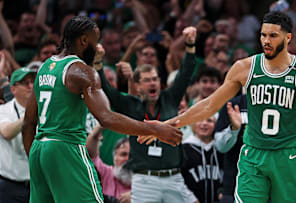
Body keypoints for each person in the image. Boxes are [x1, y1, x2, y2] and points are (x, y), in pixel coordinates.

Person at [139, 11, 296, 203]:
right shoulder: (245, 68)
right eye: (263, 35)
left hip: (287, 156)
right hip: (253, 154)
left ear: (288, 38)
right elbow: (210, 104)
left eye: (273, 35)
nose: (266, 41)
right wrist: (166, 125)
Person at [22, 16, 182, 203]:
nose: (97, 47)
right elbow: (106, 118)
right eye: (95, 41)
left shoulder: (44, 68)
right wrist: (155, 129)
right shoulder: (82, 72)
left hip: (38, 149)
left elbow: (28, 123)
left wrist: (37, 161)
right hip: (66, 147)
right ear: (83, 41)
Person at [96, 26, 198, 203]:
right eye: (147, 80)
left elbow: (186, 73)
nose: (153, 84)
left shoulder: (171, 98)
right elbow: (107, 91)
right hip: (144, 180)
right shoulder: (130, 105)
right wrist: (98, 65)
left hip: (174, 178)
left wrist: (190, 45)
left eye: (155, 79)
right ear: (137, 86)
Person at [0, 67, 36, 203]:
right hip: (9, 187)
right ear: (13, 89)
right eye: (25, 83)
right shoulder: (3, 110)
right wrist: (29, 115)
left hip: (36, 186)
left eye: (33, 82)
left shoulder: (45, 112)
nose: (31, 86)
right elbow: (7, 132)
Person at [181, 116, 224, 203]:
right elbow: (178, 180)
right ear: (193, 124)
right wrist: (191, 199)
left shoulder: (222, 149)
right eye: (199, 119)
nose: (204, 123)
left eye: (210, 121)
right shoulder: (184, 148)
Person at [86, 126, 131, 201]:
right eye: (123, 154)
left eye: (131, 156)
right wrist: (100, 127)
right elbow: (90, 154)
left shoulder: (143, 180)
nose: (127, 159)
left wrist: (135, 195)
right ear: (114, 158)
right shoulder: (106, 173)